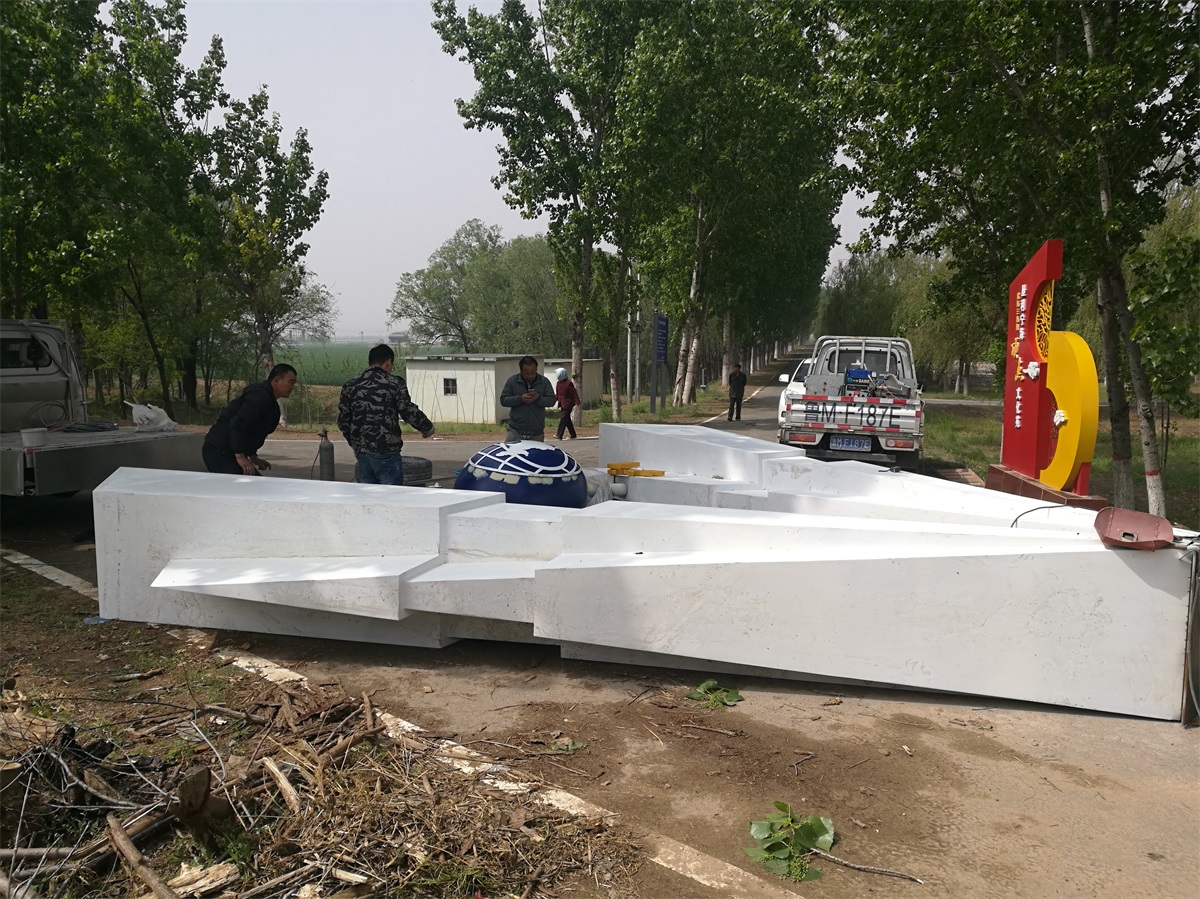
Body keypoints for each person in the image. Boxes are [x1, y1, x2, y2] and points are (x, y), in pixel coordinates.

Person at [338, 344, 434, 485]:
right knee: (391, 496)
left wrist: (355, 444)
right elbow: (406, 409)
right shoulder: (395, 383)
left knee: (368, 496)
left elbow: (343, 421)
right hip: (387, 452)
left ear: (369, 362)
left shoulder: (351, 386)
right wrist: (426, 427)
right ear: (388, 362)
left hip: (363, 455)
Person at [203, 363, 297, 475]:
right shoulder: (259, 396)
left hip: (231, 451)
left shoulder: (271, 404)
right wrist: (240, 456)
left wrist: (253, 457)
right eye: (290, 382)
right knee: (249, 484)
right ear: (276, 381)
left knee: (257, 483)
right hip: (219, 450)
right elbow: (237, 424)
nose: (292, 387)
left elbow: (254, 432)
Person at [500, 355, 556, 442]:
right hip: (515, 431)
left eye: (533, 372)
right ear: (521, 370)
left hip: (536, 433)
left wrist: (538, 399)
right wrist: (520, 399)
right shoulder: (512, 381)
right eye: (526, 373)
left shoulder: (544, 382)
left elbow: (552, 400)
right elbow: (503, 400)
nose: (530, 375)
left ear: (536, 369)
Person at [553, 367, 581, 440]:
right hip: (562, 403)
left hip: (568, 404)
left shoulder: (568, 383)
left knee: (563, 419)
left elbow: (574, 393)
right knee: (567, 420)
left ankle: (559, 435)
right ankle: (573, 434)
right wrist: (552, 400)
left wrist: (577, 402)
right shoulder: (558, 383)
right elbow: (558, 394)